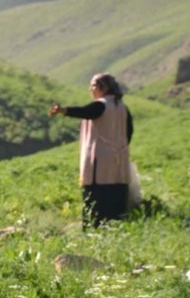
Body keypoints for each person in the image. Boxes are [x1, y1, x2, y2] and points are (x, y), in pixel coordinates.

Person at [49, 73, 134, 228]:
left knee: (97, 195)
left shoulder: (102, 105)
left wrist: (63, 110)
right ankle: (117, 225)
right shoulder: (122, 108)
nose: (91, 89)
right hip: (119, 159)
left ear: (105, 87)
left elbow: (86, 111)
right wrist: (118, 148)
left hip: (99, 159)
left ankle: (95, 227)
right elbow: (129, 132)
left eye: (94, 85)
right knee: (116, 193)